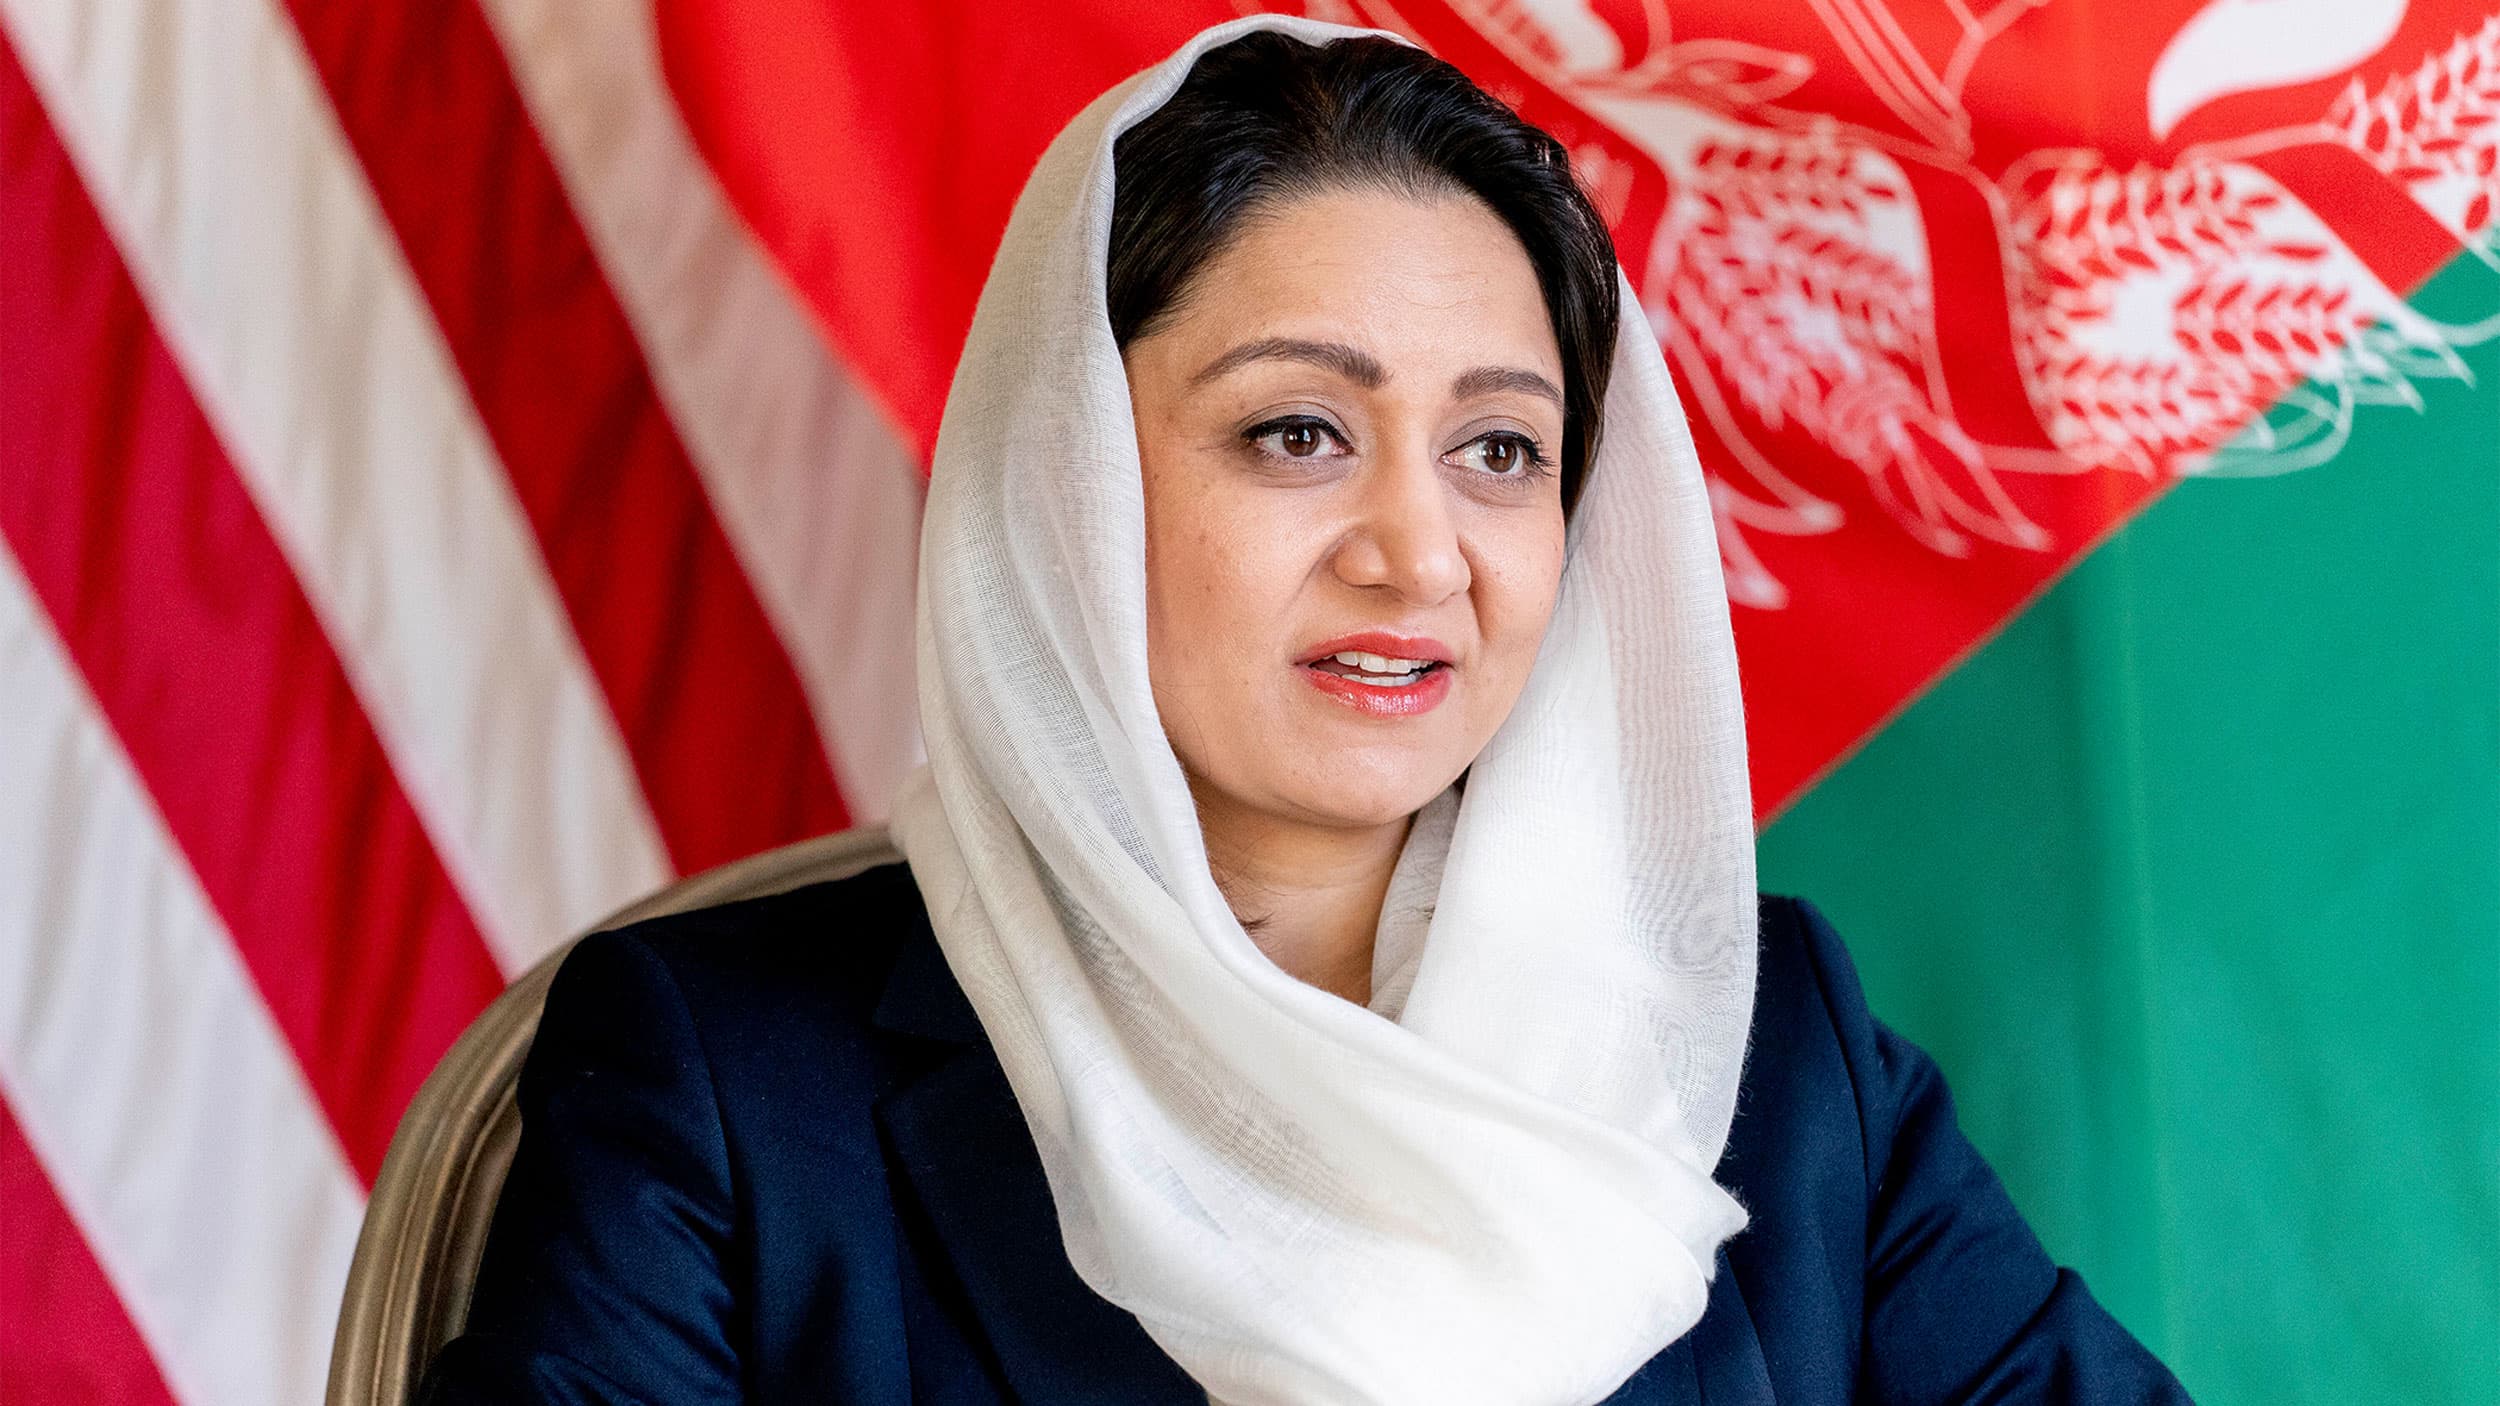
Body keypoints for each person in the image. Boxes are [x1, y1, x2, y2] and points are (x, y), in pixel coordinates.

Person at [419, 15, 2190, 1405]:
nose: (1420, 554)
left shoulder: (1774, 1051)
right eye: (1298, 433)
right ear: (1068, 484)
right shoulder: (726, 1081)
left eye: (1501, 449)